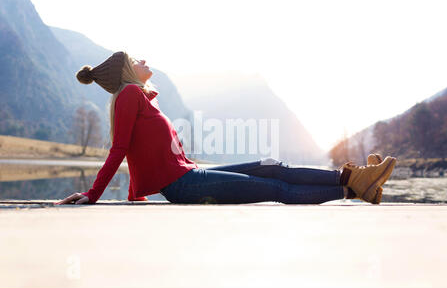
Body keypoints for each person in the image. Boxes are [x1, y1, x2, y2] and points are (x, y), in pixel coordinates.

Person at [55, 52, 396, 206]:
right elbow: (121, 149)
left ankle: (351, 178)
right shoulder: (129, 94)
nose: (143, 60)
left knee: (271, 165)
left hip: (189, 175)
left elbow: (138, 151)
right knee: (274, 187)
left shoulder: (142, 98)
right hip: (183, 185)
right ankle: (355, 189)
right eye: (135, 59)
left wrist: (135, 195)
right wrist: (92, 194)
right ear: (127, 71)